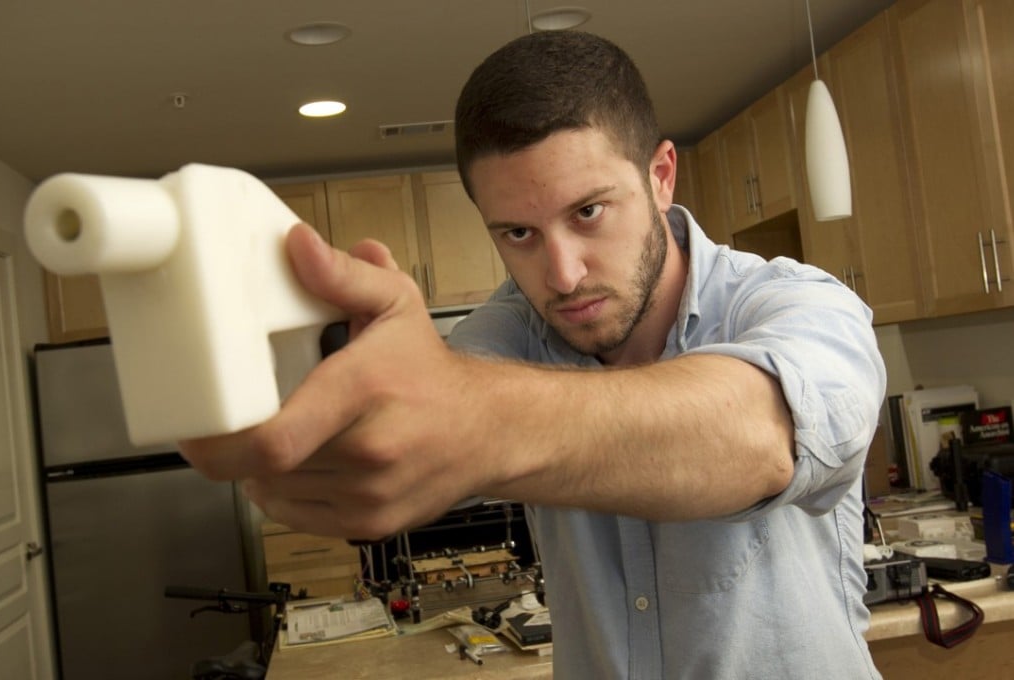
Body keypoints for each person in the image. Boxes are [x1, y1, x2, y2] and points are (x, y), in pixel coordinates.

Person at [180, 30, 886, 679]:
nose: (563, 274)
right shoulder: (510, 331)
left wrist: (475, 419)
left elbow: (759, 437)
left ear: (661, 175)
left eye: (588, 212)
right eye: (517, 233)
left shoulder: (800, 304)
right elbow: (445, 398)